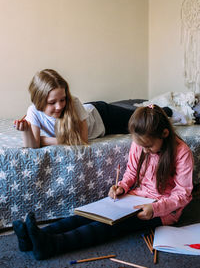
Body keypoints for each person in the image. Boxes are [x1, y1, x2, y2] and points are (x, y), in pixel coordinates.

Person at [13, 104, 193, 260]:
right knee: (90, 214)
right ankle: (33, 236)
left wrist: (155, 209)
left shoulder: (182, 152)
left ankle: (52, 245)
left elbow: (183, 194)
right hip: (136, 198)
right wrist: (122, 187)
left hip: (162, 211)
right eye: (141, 146)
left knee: (107, 225)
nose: (144, 151)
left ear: (165, 133)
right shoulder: (140, 142)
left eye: (148, 147)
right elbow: (131, 172)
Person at [14, 69, 135, 148]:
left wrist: (43, 140)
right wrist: (26, 131)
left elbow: (81, 140)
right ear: (39, 101)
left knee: (143, 118)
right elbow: (32, 146)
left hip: (102, 115)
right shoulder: (33, 111)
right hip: (94, 119)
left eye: (63, 99)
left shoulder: (73, 102)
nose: (59, 106)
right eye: (52, 102)